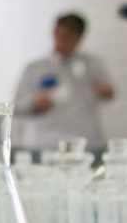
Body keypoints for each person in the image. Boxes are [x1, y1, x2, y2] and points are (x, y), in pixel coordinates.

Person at [12, 13, 115, 153]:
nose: (60, 41)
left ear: (79, 37)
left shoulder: (92, 65)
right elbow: (17, 105)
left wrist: (101, 89)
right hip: (46, 145)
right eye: (58, 34)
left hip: (87, 144)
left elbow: (110, 93)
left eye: (68, 37)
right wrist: (35, 104)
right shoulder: (36, 68)